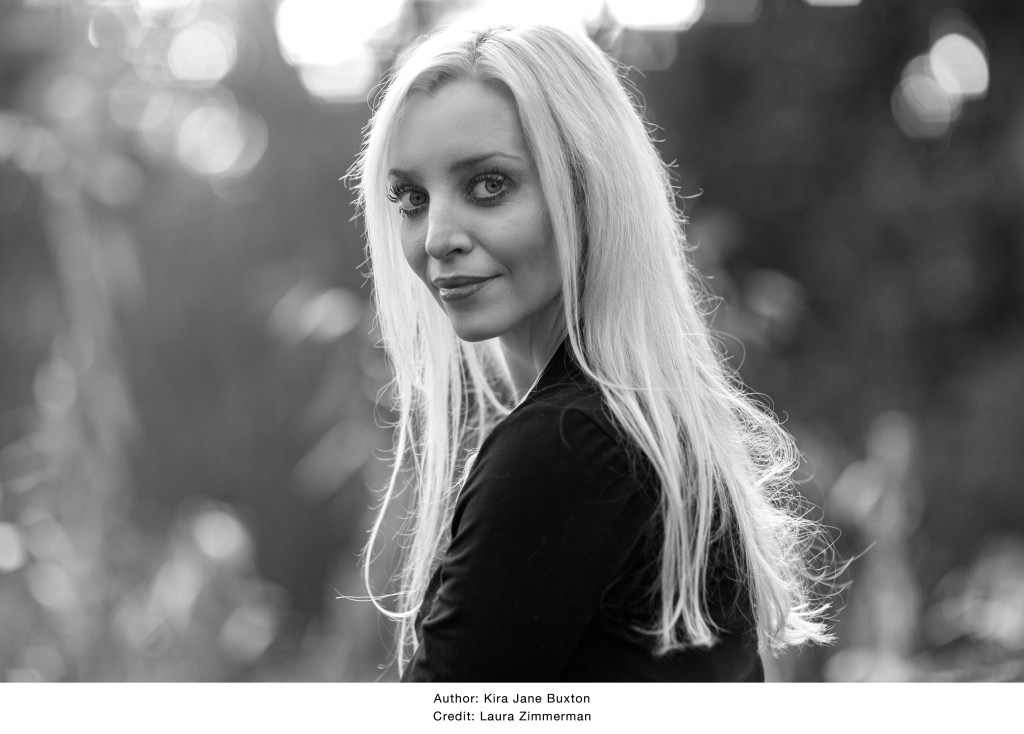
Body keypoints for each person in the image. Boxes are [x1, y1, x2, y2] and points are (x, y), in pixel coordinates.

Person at [350, 23, 834, 682]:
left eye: (488, 185)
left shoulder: (569, 447)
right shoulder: (636, 433)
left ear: (587, 189)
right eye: (411, 198)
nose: (436, 237)